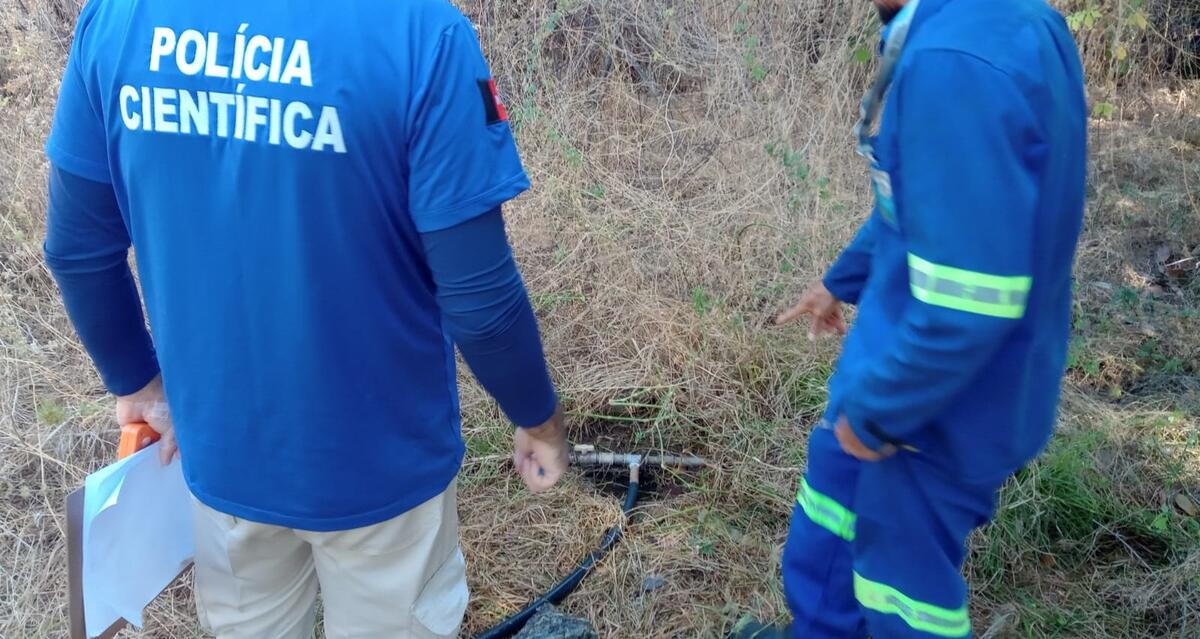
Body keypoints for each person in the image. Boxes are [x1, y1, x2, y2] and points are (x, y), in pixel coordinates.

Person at [43, 0, 569, 636]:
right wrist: (538, 420)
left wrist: (137, 381)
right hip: (383, 464)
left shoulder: (120, 19)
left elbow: (76, 251)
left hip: (224, 454)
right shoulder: (418, 32)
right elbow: (481, 301)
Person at [774, 0, 1087, 637]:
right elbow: (926, 204)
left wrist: (879, 413)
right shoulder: (1005, 22)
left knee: (902, 599)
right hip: (902, 372)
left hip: (933, 410)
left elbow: (968, 305)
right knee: (827, 523)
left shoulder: (954, 62)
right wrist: (841, 281)